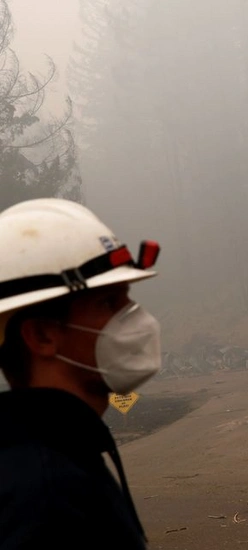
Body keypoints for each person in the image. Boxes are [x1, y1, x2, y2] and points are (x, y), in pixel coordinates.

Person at [0, 198, 162, 548]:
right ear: (43, 335)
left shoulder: (56, 456)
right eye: (108, 302)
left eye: (127, 299)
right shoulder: (48, 496)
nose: (134, 317)